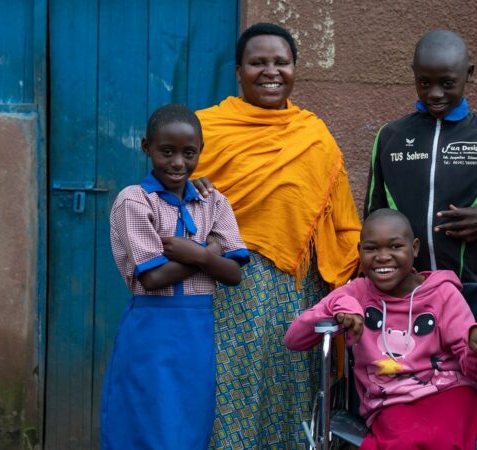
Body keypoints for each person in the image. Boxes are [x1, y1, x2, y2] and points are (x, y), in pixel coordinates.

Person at [191, 23, 362, 449]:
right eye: (258, 63)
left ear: (295, 69)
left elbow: (340, 220)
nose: (270, 72)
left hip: (295, 290)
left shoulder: (314, 135)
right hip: (223, 282)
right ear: (238, 72)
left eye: (280, 62)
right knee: (228, 385)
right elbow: (171, 195)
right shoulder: (204, 130)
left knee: (290, 388)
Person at [285, 209, 477, 449]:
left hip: (451, 393)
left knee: (436, 438)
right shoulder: (356, 294)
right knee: (402, 440)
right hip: (390, 402)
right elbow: (294, 339)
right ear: (359, 251)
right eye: (372, 249)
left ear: (414, 248)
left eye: (395, 247)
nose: (383, 257)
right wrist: (338, 307)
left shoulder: (443, 294)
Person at [100, 104, 250, 449]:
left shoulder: (213, 202)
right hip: (151, 330)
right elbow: (153, 278)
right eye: (166, 152)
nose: (178, 163)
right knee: (145, 421)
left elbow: (234, 274)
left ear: (201, 152)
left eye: (189, 153)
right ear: (146, 148)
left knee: (190, 422)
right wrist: (209, 252)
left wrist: (194, 253)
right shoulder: (134, 201)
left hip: (197, 331)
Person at [365, 29, 477, 282]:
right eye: (424, 82)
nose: (434, 93)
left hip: (466, 289)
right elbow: (372, 214)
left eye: (447, 83)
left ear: (469, 74)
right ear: (414, 73)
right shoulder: (390, 137)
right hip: (402, 291)